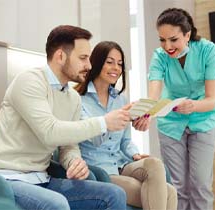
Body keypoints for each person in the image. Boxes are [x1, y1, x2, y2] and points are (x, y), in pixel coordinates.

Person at [0, 25, 131, 210]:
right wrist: (103, 122)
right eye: (82, 58)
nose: (89, 65)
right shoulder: (29, 82)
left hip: (41, 178)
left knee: (113, 194)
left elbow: (68, 145)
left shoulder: (72, 97)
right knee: (57, 204)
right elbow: (50, 132)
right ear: (60, 56)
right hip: (4, 178)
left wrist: (73, 161)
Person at [134, 8, 215, 210]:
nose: (167, 46)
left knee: (200, 185)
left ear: (187, 34)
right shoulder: (159, 56)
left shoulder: (208, 50)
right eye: (162, 40)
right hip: (171, 124)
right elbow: (154, 94)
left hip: (203, 120)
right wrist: (147, 114)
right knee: (176, 186)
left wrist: (193, 106)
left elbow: (210, 99)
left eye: (173, 39)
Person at [75, 41, 177, 210]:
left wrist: (135, 154)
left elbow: (125, 141)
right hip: (99, 170)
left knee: (156, 166)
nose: (116, 67)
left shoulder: (120, 99)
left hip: (121, 164)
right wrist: (111, 121)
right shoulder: (79, 99)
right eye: (110, 62)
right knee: (167, 193)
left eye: (120, 64)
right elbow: (94, 139)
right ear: (96, 62)